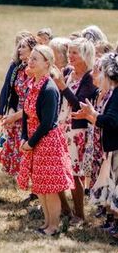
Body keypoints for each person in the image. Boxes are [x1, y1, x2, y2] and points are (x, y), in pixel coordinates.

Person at [17, 45, 74, 236]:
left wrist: (30, 142)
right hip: (34, 139)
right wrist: (24, 136)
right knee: (40, 184)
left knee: (50, 187)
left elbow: (48, 122)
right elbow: (26, 113)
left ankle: (54, 226)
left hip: (47, 141)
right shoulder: (33, 83)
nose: (30, 62)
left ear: (47, 64)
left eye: (35, 59)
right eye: (30, 58)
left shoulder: (49, 88)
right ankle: (46, 223)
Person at [52, 37, 98, 224]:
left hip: (78, 132)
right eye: (69, 51)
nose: (69, 56)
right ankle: (64, 208)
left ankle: (79, 214)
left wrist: (62, 85)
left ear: (85, 55)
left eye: (74, 53)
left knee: (74, 173)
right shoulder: (69, 72)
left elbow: (78, 105)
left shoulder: (89, 78)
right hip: (62, 127)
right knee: (57, 169)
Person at [76, 53, 118, 234]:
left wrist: (93, 115)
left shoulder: (117, 94)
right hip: (111, 148)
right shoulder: (114, 93)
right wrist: (91, 114)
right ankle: (114, 223)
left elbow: (111, 121)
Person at [0, 33, 37, 177]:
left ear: (32, 50)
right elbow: (11, 91)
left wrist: (15, 116)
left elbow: (34, 101)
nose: (19, 50)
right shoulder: (18, 69)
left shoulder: (35, 72)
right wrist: (10, 111)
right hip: (17, 111)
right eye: (19, 47)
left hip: (29, 114)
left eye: (23, 47)